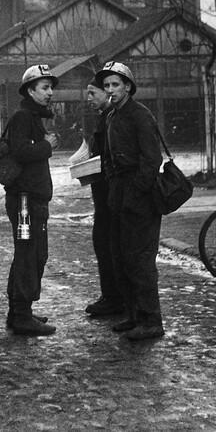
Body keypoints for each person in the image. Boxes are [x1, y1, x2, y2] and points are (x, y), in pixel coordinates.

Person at [94, 61, 165, 341]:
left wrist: (135, 191)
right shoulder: (112, 116)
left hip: (140, 193)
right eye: (107, 85)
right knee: (120, 255)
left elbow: (152, 160)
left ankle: (151, 320)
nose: (111, 90)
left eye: (116, 84)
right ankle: (134, 316)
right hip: (119, 189)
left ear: (128, 87)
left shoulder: (139, 115)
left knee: (140, 259)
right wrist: (114, 186)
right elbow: (109, 158)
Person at [4, 65, 59, 336]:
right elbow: (21, 151)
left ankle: (18, 311)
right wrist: (47, 145)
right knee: (30, 255)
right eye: (44, 88)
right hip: (25, 201)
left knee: (31, 253)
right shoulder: (23, 117)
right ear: (30, 90)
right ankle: (22, 315)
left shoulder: (30, 115)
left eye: (51, 87)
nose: (50, 93)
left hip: (30, 198)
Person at [84, 79, 125, 316]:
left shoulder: (111, 118)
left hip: (109, 195)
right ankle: (111, 295)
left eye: (92, 93)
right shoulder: (106, 116)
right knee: (104, 243)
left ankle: (114, 297)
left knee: (107, 243)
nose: (89, 98)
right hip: (104, 194)